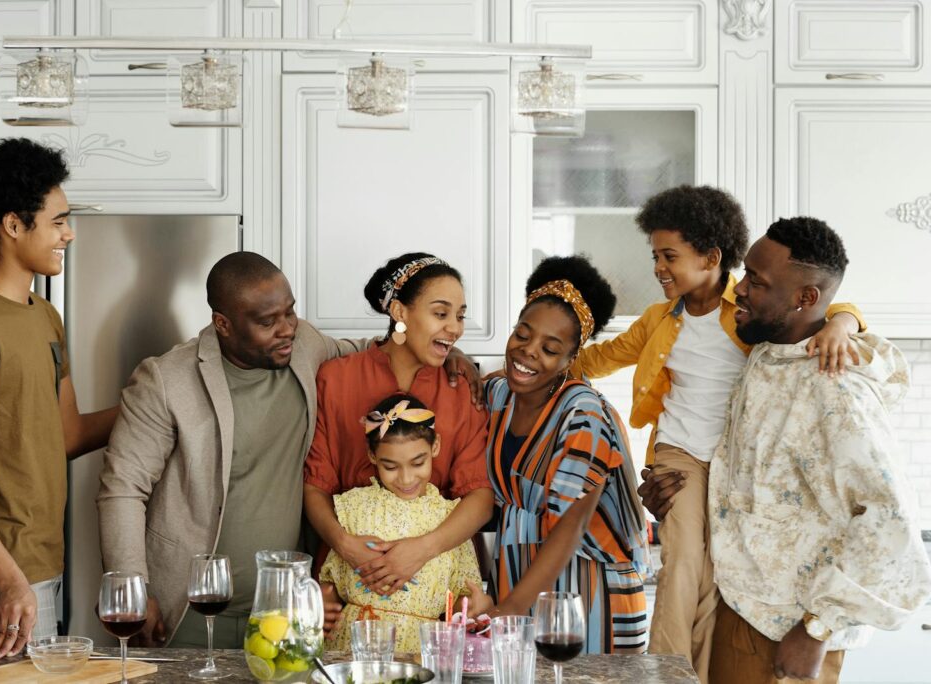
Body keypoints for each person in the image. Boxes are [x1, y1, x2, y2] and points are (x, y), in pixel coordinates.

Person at [97, 252, 479, 649]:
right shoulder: (166, 379)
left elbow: (377, 351)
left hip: (286, 605)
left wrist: (449, 353)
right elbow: (122, 489)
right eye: (267, 322)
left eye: (290, 313)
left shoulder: (305, 346)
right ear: (223, 324)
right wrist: (132, 589)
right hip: (192, 606)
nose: (286, 330)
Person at [568, 186, 863, 681]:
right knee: (682, 564)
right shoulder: (659, 319)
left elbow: (822, 301)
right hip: (678, 454)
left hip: (733, 462)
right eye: (655, 256)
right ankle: (664, 671)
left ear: (711, 257)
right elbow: (599, 359)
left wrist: (844, 323)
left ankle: (696, 673)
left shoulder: (749, 310)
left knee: (716, 576)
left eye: (670, 256)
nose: (659, 267)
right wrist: (542, 363)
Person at [644, 218, 931, 683]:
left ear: (805, 298)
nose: (738, 291)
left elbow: (893, 524)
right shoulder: (769, 352)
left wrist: (817, 629)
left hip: (784, 633)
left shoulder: (833, 391)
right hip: (741, 610)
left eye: (756, 282)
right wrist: (674, 502)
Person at [0, 138, 118, 660]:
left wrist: (153, 405)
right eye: (58, 221)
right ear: (14, 225)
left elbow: (69, 435)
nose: (69, 232)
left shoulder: (44, 315)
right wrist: (9, 580)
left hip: (38, 557)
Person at [304, 253, 493, 613]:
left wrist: (422, 550)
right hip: (342, 594)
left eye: (460, 315)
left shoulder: (462, 389)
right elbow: (316, 485)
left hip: (435, 597)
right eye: (441, 314)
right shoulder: (335, 379)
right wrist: (345, 546)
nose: (455, 327)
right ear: (400, 313)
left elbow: (479, 496)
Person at [485, 255, 649, 654]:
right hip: (519, 578)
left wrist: (507, 613)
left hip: (588, 596)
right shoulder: (498, 394)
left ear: (569, 359)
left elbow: (569, 528)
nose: (527, 352)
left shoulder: (585, 415)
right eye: (522, 335)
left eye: (549, 347)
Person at [317, 394, 491, 654]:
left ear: (435, 447)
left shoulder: (450, 519)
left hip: (422, 650)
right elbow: (330, 580)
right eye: (390, 466)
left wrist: (477, 604)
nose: (406, 478)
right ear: (372, 456)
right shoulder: (352, 508)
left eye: (418, 463)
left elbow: (462, 596)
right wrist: (322, 601)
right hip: (354, 645)